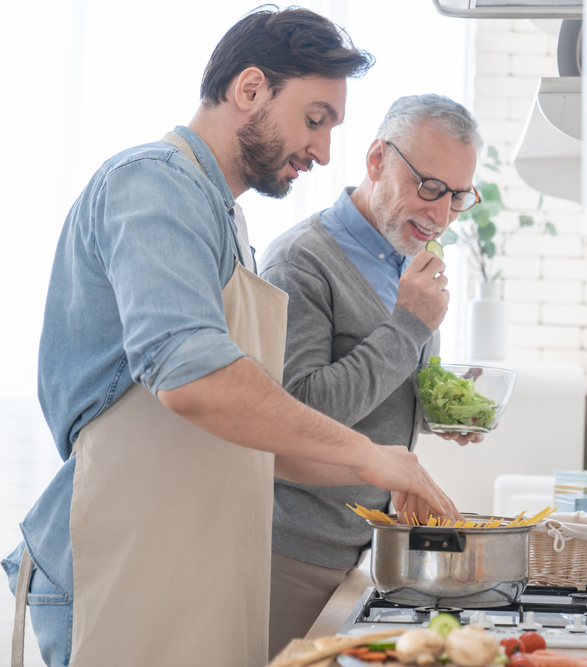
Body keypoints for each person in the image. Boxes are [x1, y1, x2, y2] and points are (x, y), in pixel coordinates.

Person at [2, 10, 460, 667]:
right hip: (120, 560)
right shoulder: (153, 183)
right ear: (250, 89)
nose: (326, 152)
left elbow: (269, 439)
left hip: (189, 562)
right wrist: (366, 452)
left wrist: (387, 467)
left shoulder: (224, 218)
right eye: (315, 118)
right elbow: (196, 379)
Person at [259, 94, 486, 655]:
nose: (440, 215)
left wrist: (440, 414)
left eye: (457, 197)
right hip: (295, 552)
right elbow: (297, 413)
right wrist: (410, 326)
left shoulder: (403, 257)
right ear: (377, 159)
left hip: (367, 547)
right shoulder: (302, 262)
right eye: (429, 187)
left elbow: (378, 391)